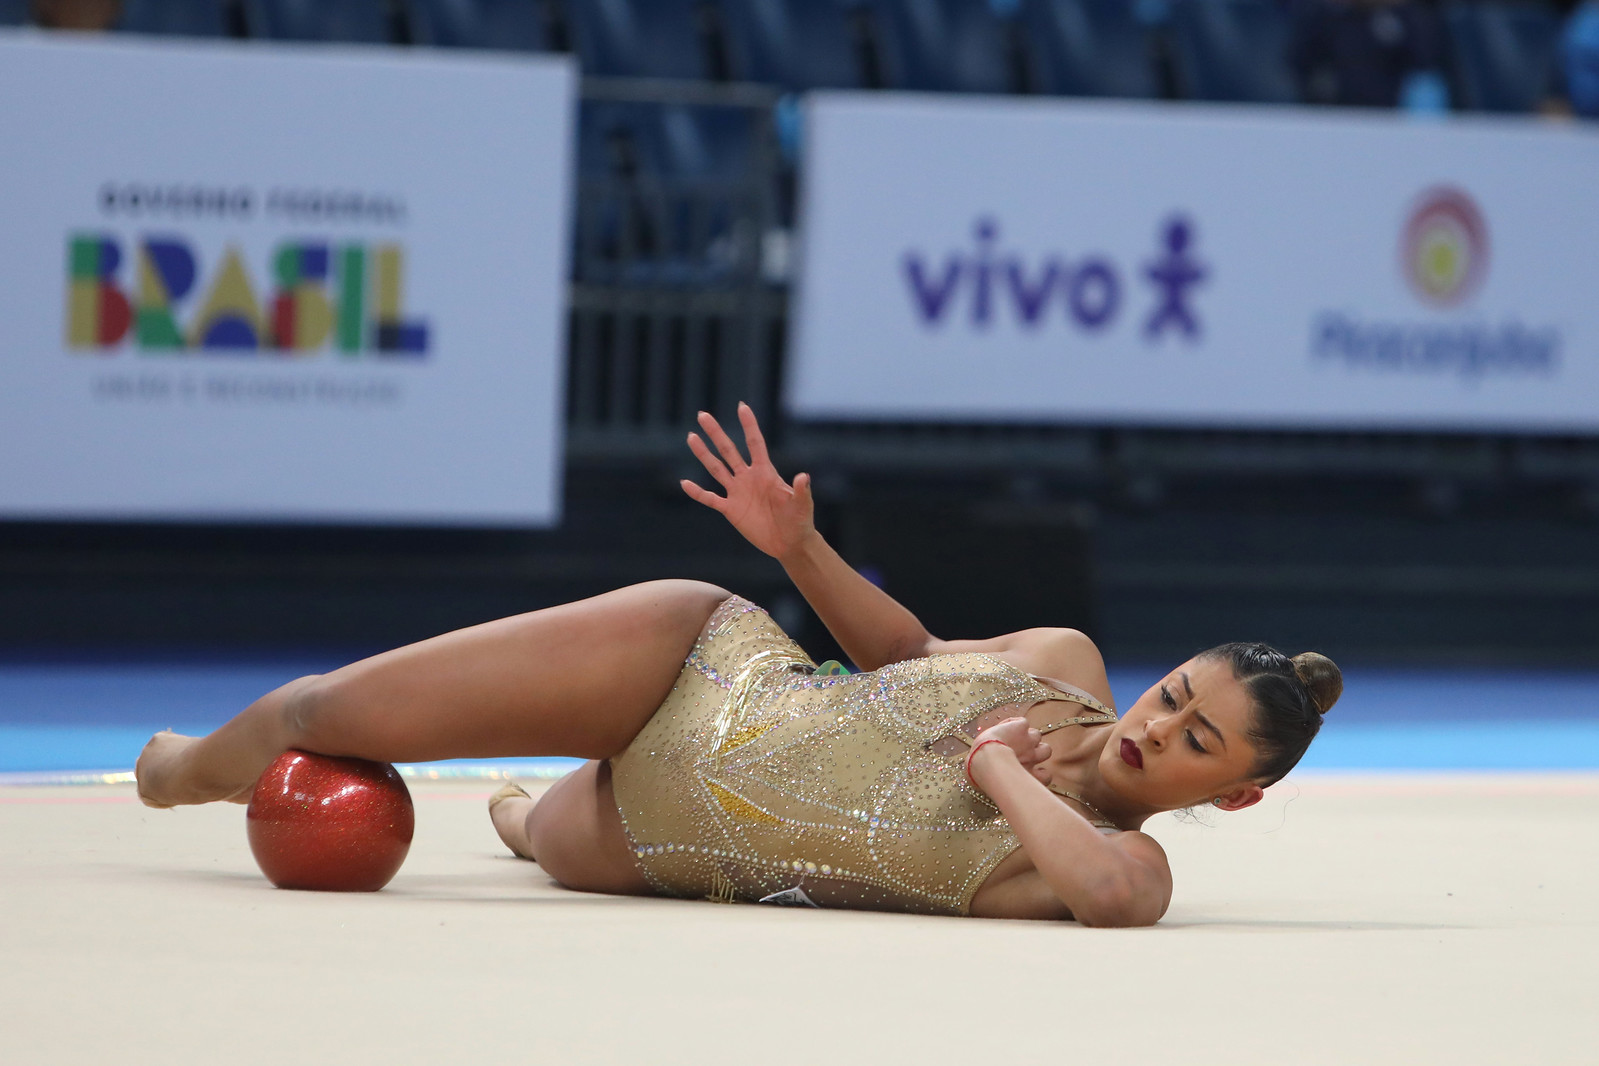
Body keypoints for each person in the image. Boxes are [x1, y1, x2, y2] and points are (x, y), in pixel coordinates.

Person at [136, 404, 1340, 926]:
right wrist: (800, 547)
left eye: (1196, 742)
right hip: (704, 661)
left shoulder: (1119, 862)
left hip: (659, 837)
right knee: (338, 709)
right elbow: (910, 651)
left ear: (1235, 791)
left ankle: (507, 812)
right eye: (1176, 692)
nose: (1156, 726)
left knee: (538, 831)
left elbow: (1110, 901)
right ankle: (188, 768)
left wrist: (1003, 773)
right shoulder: (1065, 662)